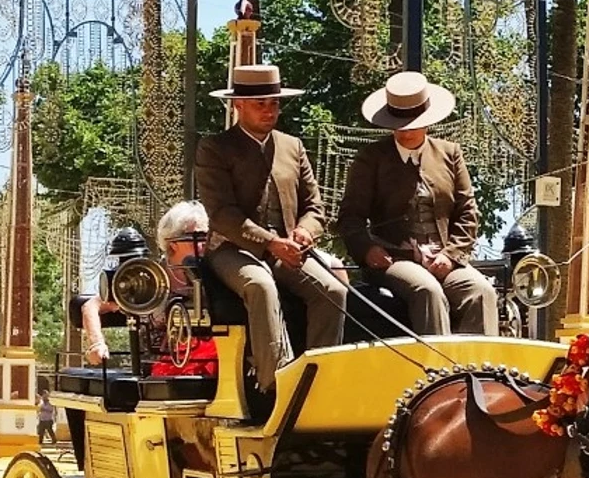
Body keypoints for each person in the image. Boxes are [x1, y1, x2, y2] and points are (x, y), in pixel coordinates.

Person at [195, 63, 347, 395]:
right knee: (262, 286)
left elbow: (315, 207)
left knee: (333, 291)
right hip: (232, 250)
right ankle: (278, 384)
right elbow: (221, 214)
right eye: (259, 104)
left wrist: (306, 232)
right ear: (238, 105)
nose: (269, 111)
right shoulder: (215, 148)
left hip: (289, 250)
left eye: (274, 103)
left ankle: (320, 382)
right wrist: (271, 242)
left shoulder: (293, 146)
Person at [337, 71, 497, 337]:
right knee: (428, 290)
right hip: (395, 260)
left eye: (414, 122)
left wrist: (451, 255)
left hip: (445, 258)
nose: (407, 129)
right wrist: (368, 250)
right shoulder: (371, 158)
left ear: (427, 121)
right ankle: (440, 374)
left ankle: (481, 372)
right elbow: (350, 217)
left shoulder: (450, 154)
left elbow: (468, 213)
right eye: (399, 122)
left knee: (481, 291)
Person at [80, 204, 220, 376]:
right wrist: (96, 344)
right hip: (157, 368)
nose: (203, 244)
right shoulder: (148, 276)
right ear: (173, 243)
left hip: (211, 363)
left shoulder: (216, 272)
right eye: (195, 237)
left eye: (206, 237)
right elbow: (92, 305)